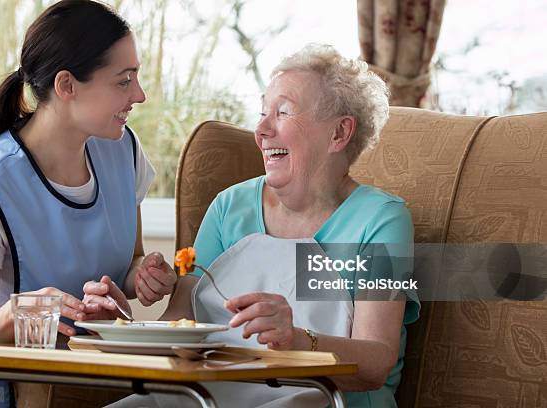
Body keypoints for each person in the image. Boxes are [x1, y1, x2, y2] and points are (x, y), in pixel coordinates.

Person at [111, 43, 420, 408]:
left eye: (283, 112)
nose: (260, 130)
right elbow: (182, 321)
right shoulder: (230, 207)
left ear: (339, 134)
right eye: (262, 113)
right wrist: (123, 325)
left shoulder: (381, 220)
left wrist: (296, 340)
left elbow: (376, 362)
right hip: (212, 398)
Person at [0, 1, 176, 407]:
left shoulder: (124, 152)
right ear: (67, 86)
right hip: (6, 390)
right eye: (124, 80)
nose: (140, 94)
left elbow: (130, 265)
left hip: (94, 375)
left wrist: (144, 275)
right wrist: (19, 313)